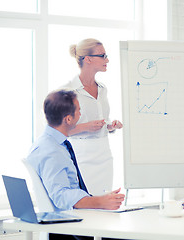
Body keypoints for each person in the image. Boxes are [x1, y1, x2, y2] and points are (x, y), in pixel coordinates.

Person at [26, 90, 125, 240]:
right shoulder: (52, 151)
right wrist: (100, 202)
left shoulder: (49, 143)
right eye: (79, 110)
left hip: (73, 222)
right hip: (71, 229)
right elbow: (61, 195)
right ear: (68, 119)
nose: (80, 113)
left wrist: (100, 199)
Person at [64, 38, 123, 196]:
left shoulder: (103, 89)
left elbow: (103, 120)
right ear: (88, 59)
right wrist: (86, 127)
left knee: (103, 205)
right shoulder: (68, 91)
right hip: (81, 156)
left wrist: (110, 126)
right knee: (85, 204)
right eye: (103, 56)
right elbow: (58, 129)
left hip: (104, 155)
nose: (107, 60)